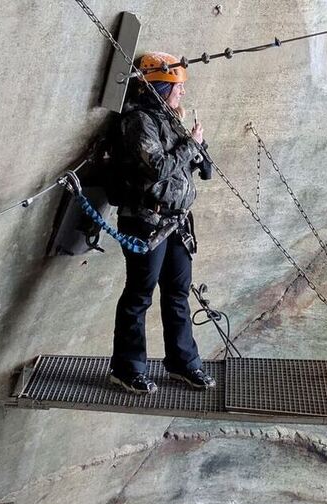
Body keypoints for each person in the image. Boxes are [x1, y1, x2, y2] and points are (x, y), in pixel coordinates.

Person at [107, 51, 215, 394]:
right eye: (176, 86)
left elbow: (196, 166)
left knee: (177, 293)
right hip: (146, 222)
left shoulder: (171, 120)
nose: (182, 91)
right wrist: (189, 145)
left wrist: (200, 150)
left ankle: (184, 363)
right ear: (159, 88)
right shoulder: (139, 122)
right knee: (139, 294)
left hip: (176, 223)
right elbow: (157, 168)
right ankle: (127, 369)